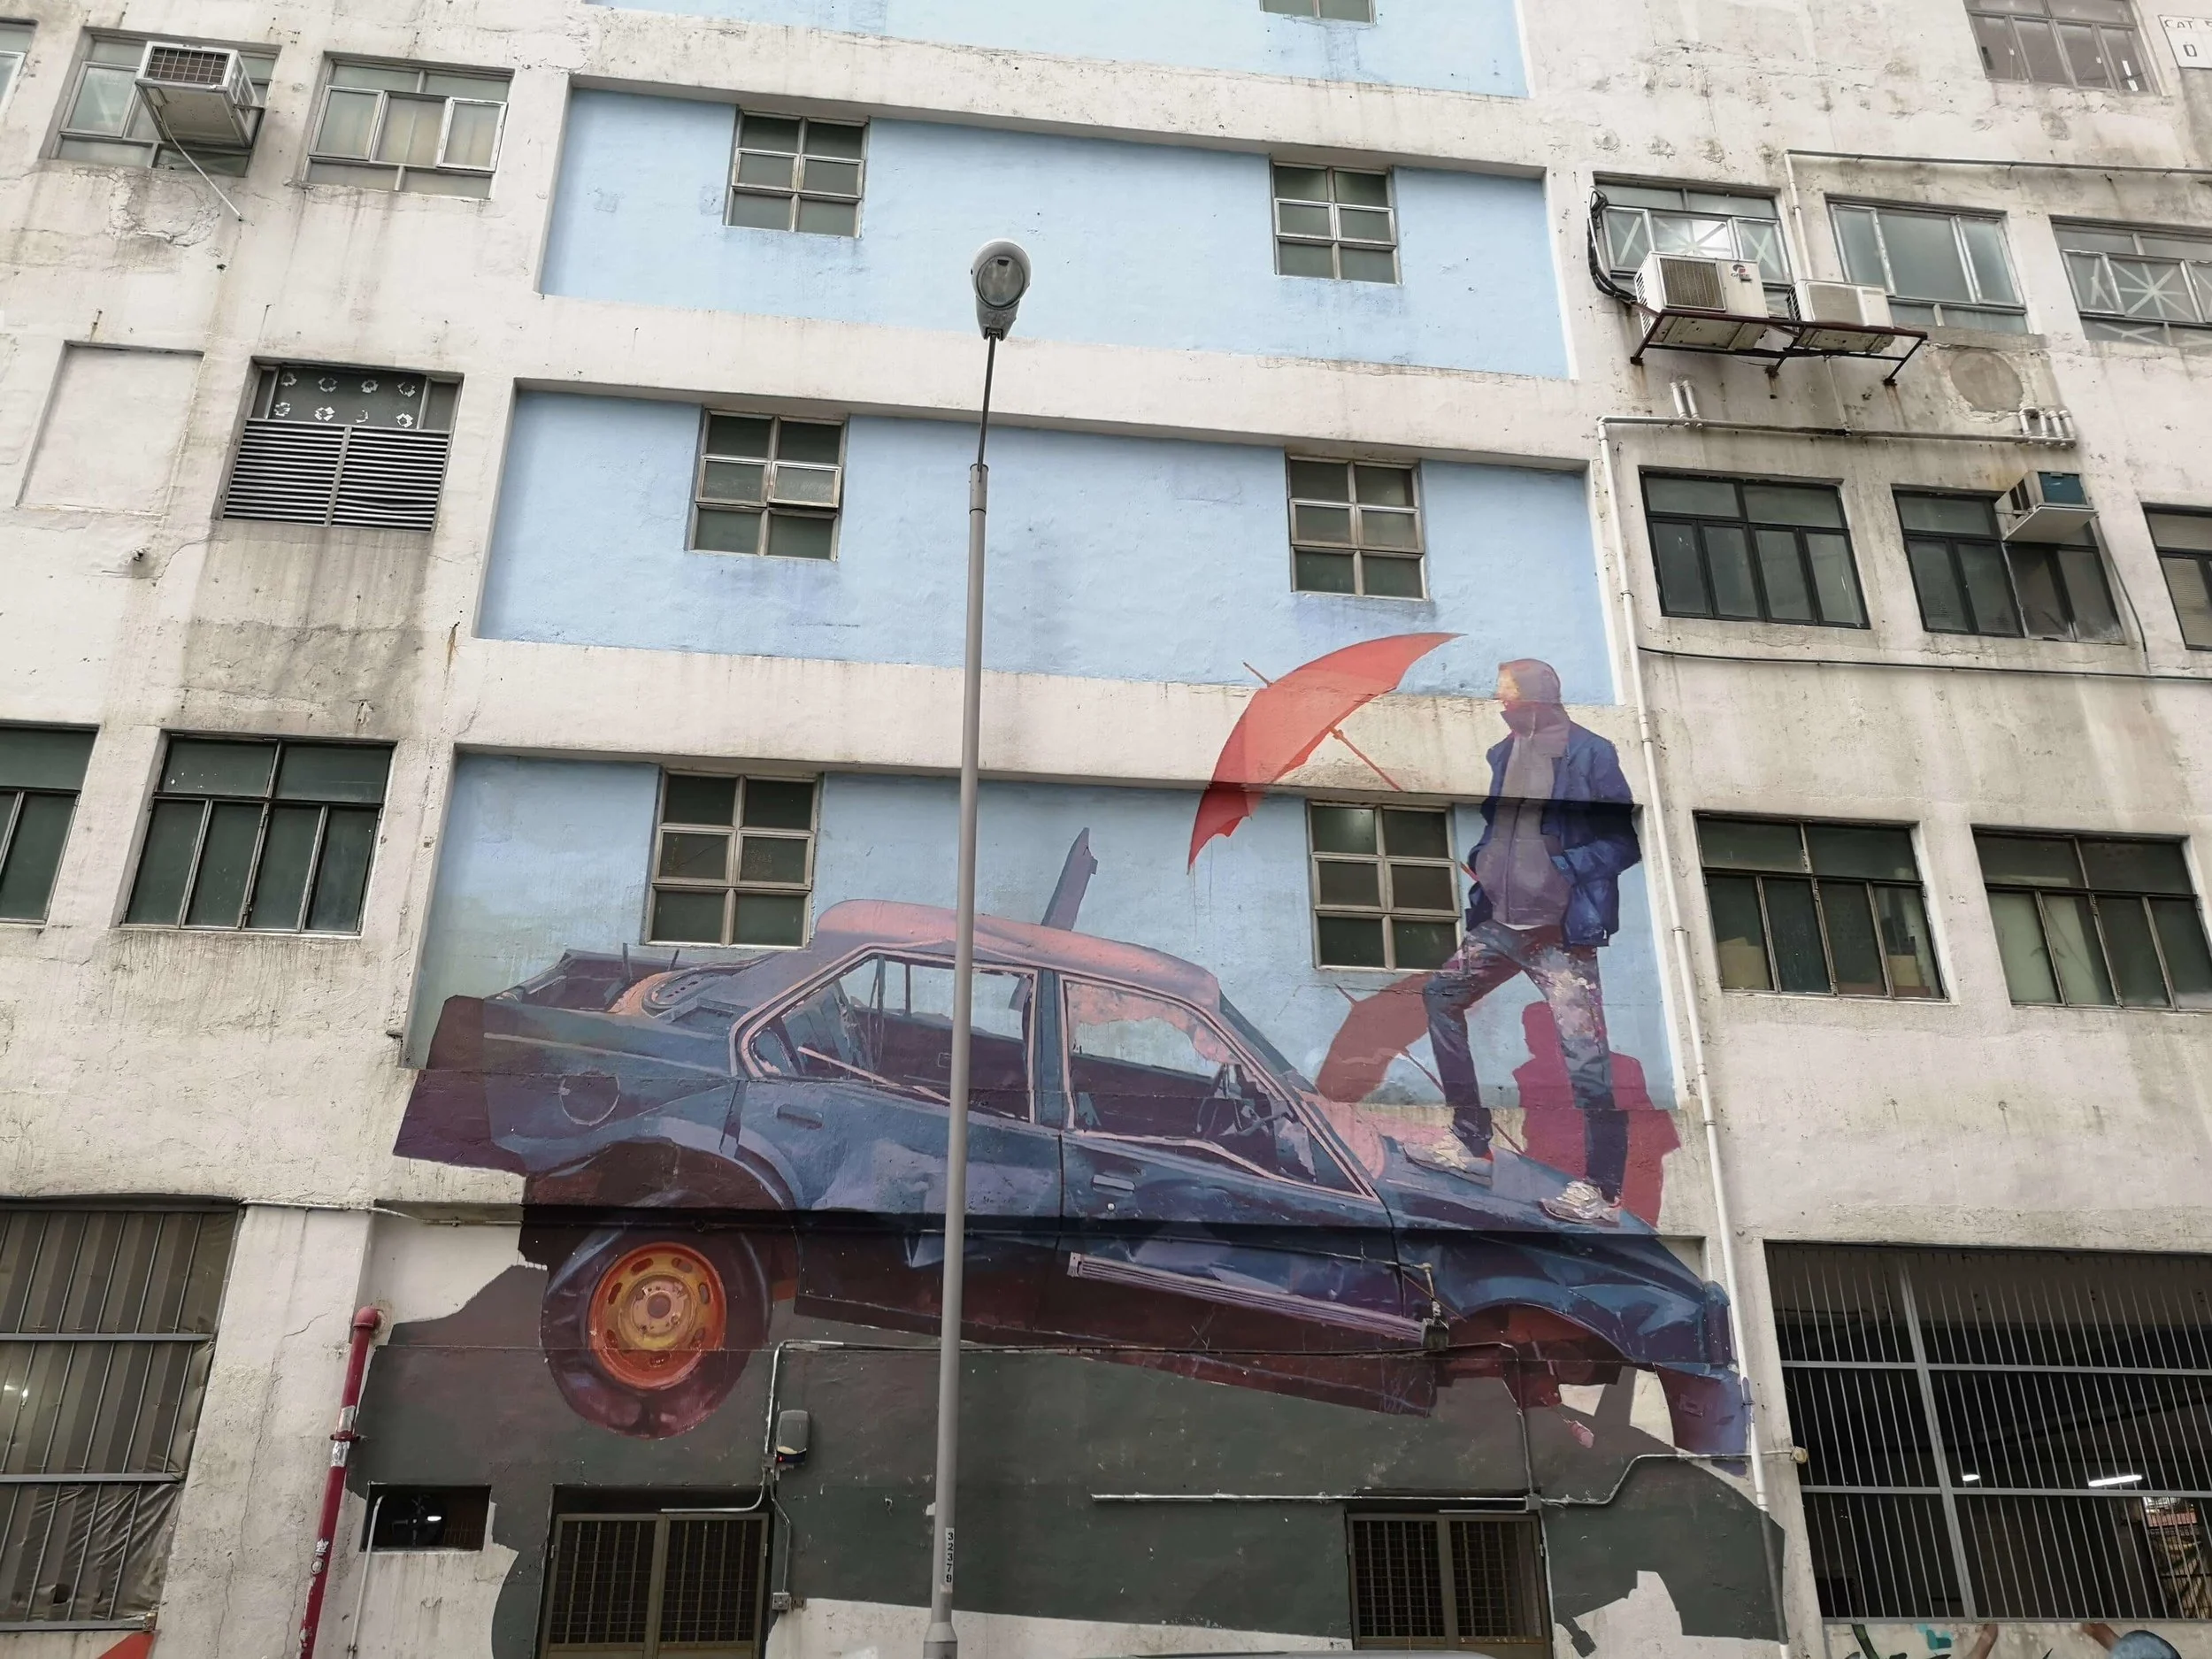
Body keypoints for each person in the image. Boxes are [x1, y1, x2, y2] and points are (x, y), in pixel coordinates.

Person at [1420, 659, 1642, 1226]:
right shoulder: (1504, 753)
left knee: (1586, 1058)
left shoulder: (1590, 754)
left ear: (1537, 698)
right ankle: (1470, 1143)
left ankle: (1603, 1192)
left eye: (1509, 695)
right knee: (1440, 994)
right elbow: (1502, 830)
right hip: (1501, 924)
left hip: (1560, 935)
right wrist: (1485, 861)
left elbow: (1623, 843)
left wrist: (1559, 870)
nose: (1501, 704)